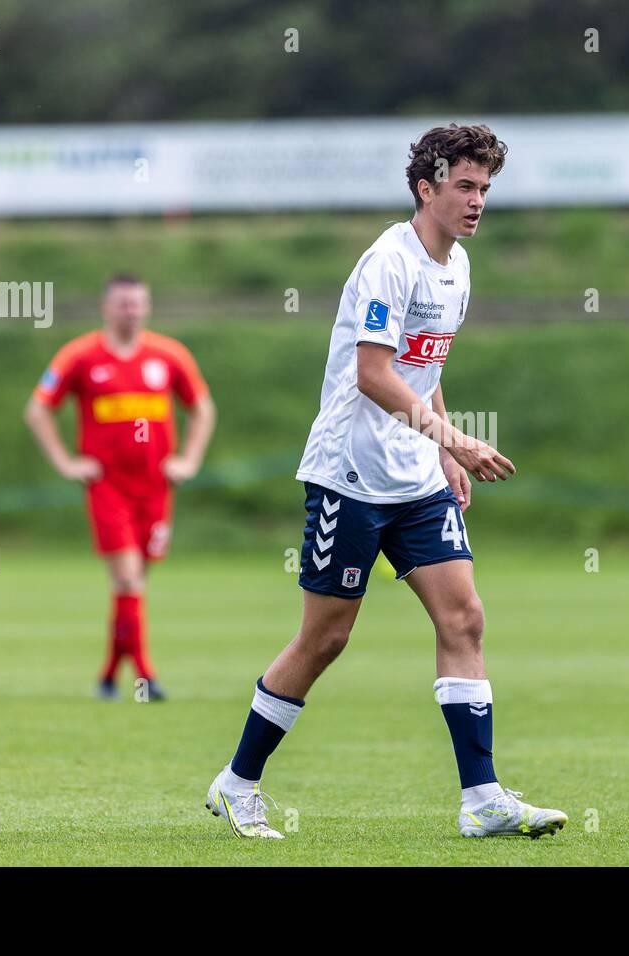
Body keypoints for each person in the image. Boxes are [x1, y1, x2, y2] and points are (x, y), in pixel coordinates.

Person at [205, 124, 567, 839]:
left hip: (415, 478)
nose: (477, 201)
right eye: (464, 186)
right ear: (425, 188)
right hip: (349, 476)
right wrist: (457, 440)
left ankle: (483, 799)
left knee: (464, 617)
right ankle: (238, 781)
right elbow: (373, 375)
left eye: (486, 187)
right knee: (326, 639)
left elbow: (422, 372)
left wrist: (441, 454)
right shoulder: (387, 263)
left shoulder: (457, 266)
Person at [25, 274, 215, 701]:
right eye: (123, 304)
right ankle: (145, 678)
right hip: (108, 487)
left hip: (156, 487)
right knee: (129, 580)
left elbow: (202, 407)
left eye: (137, 304)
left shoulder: (168, 356)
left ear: (146, 307)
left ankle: (109, 675)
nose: (131, 311)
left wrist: (189, 459)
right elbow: (38, 408)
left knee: (133, 584)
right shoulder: (80, 356)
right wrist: (65, 462)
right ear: (105, 308)